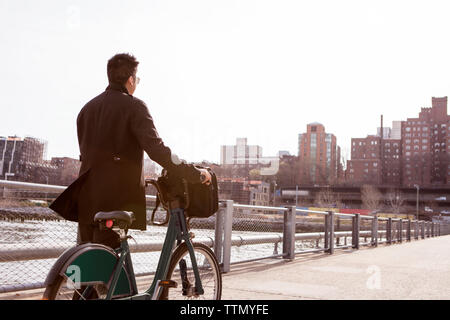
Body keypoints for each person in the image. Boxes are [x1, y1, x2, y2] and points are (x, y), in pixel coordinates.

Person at [50, 53, 211, 249]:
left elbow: (86, 155)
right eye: (137, 79)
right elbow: (157, 150)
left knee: (87, 264)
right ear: (131, 79)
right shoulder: (134, 106)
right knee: (109, 264)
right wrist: (193, 173)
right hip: (115, 201)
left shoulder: (86, 109)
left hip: (86, 199)